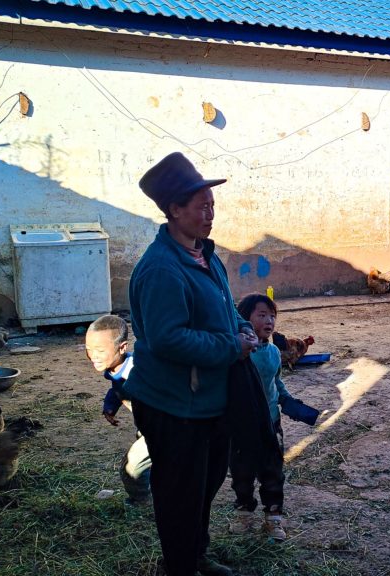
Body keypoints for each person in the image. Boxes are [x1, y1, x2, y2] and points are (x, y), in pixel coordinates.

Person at [125, 151, 259, 576]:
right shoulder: (162, 268)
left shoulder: (204, 254)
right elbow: (168, 339)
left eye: (212, 205)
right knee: (180, 493)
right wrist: (230, 346)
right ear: (174, 210)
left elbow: (223, 306)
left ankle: (194, 556)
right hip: (173, 405)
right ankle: (178, 567)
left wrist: (243, 327)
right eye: (201, 206)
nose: (210, 214)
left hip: (205, 402)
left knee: (204, 485)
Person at [229, 294, 320, 541]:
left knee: (272, 471)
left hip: (270, 422)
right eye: (261, 315)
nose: (269, 321)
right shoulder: (236, 353)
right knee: (242, 473)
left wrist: (288, 401)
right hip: (241, 424)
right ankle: (244, 513)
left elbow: (276, 381)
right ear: (244, 319)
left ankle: (273, 518)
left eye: (272, 316)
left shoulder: (273, 353)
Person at [84, 314, 151, 504]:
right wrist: (110, 407)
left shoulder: (137, 372)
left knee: (132, 467)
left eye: (99, 350)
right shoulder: (114, 369)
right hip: (146, 428)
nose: (93, 356)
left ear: (122, 347)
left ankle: (140, 501)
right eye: (89, 350)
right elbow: (116, 388)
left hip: (161, 428)